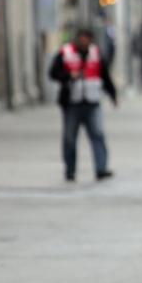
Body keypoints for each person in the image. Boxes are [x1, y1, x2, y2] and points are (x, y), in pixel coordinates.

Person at [49, 26, 117, 182]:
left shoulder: (95, 53)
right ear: (78, 40)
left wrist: (113, 94)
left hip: (92, 102)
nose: (84, 42)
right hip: (72, 104)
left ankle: (101, 168)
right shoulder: (66, 53)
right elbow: (52, 73)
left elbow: (105, 75)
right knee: (69, 139)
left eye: (87, 39)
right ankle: (70, 170)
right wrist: (68, 75)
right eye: (82, 39)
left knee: (98, 134)